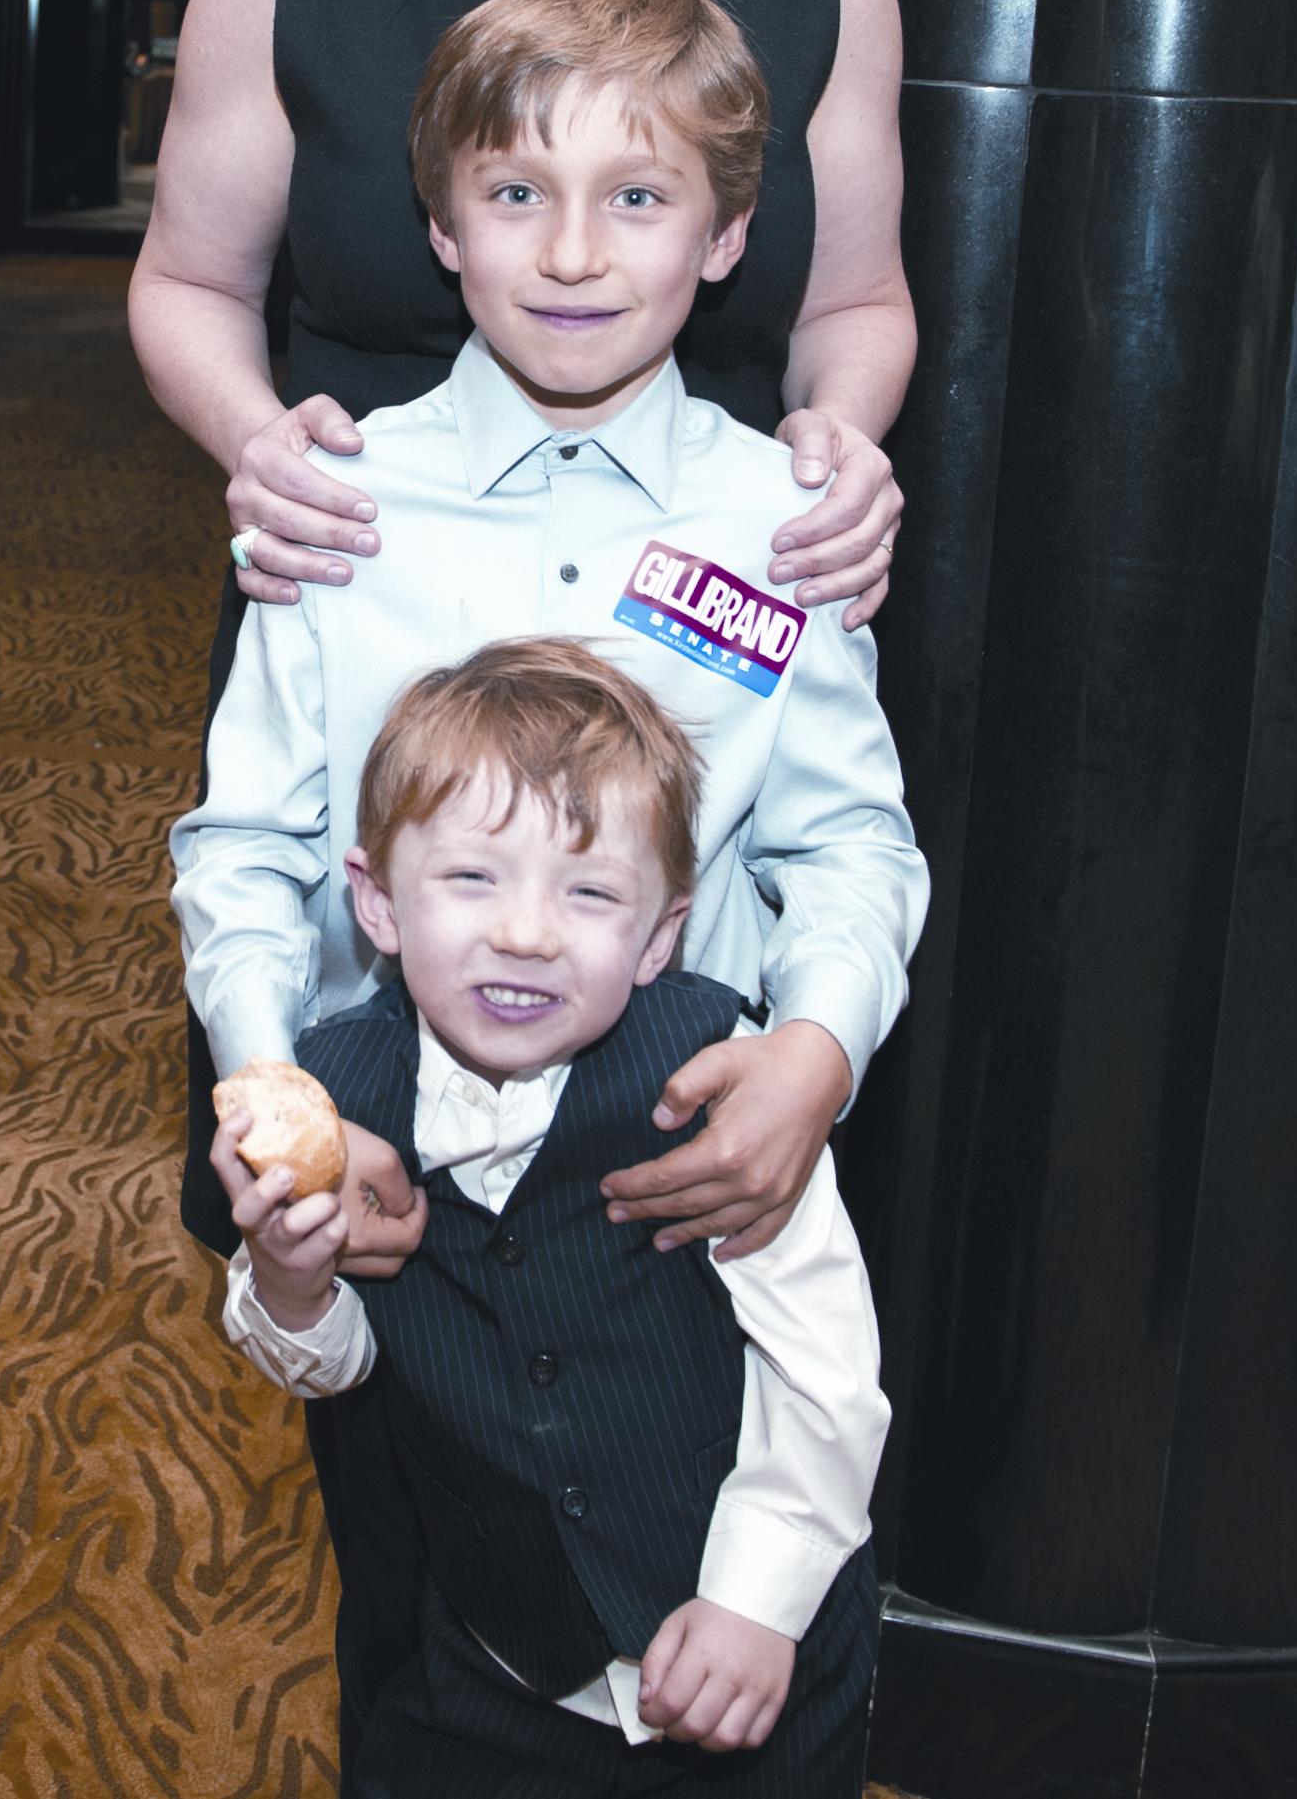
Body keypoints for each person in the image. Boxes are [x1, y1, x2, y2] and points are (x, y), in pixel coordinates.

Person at [128, 0, 917, 1267]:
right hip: (366, 634)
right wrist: (265, 455)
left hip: (699, 666)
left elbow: (863, 301)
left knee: (662, 1295)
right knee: (339, 1252)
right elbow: (181, 288)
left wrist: (838, 450)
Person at [175, 0, 925, 1785]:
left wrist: (814, 1055)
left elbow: (846, 840)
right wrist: (275, 1084)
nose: (573, 253)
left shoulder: (774, 518)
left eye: (637, 198)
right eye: (515, 194)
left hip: (680, 1191)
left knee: (735, 1589)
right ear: (440, 226)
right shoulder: (336, 499)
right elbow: (248, 848)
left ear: (728, 237)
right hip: (395, 1201)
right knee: (433, 1623)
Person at [214, 637, 891, 1799]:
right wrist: (289, 1279)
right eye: (472, 878)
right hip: (496, 1665)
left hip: (744, 1656)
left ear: (661, 933)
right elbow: (333, 1367)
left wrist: (756, 1600)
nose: (526, 932)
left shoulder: (712, 1086)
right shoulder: (344, 1096)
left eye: (588, 892)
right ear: (375, 899)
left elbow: (825, 1364)